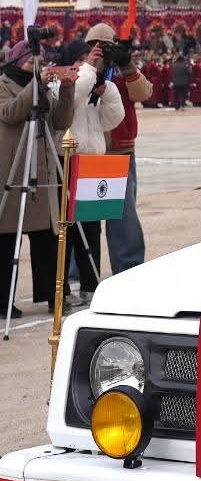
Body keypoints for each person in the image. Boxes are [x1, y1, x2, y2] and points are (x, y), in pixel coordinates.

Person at [0, 42, 78, 318]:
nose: (37, 65)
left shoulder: (42, 86)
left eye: (41, 62)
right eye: (31, 61)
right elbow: (9, 113)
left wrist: (67, 89)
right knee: (7, 239)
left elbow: (60, 121)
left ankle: (54, 295)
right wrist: (36, 83)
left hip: (42, 170)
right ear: (17, 61)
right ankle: (3, 302)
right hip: (12, 172)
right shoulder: (4, 84)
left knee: (48, 236)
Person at [61, 38, 127, 300]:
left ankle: (89, 285)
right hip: (68, 160)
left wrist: (106, 91)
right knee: (67, 228)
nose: (86, 64)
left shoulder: (90, 82)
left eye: (89, 58)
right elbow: (74, 95)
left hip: (92, 163)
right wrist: (88, 70)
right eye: (81, 59)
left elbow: (113, 118)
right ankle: (62, 288)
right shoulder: (65, 82)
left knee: (91, 228)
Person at [86, 23, 152, 273]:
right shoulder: (83, 69)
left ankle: (129, 267)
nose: (102, 51)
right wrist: (90, 66)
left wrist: (127, 65)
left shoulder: (122, 71)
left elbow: (144, 93)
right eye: (96, 47)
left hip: (120, 151)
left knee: (123, 216)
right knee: (85, 215)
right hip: (90, 150)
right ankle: (80, 270)